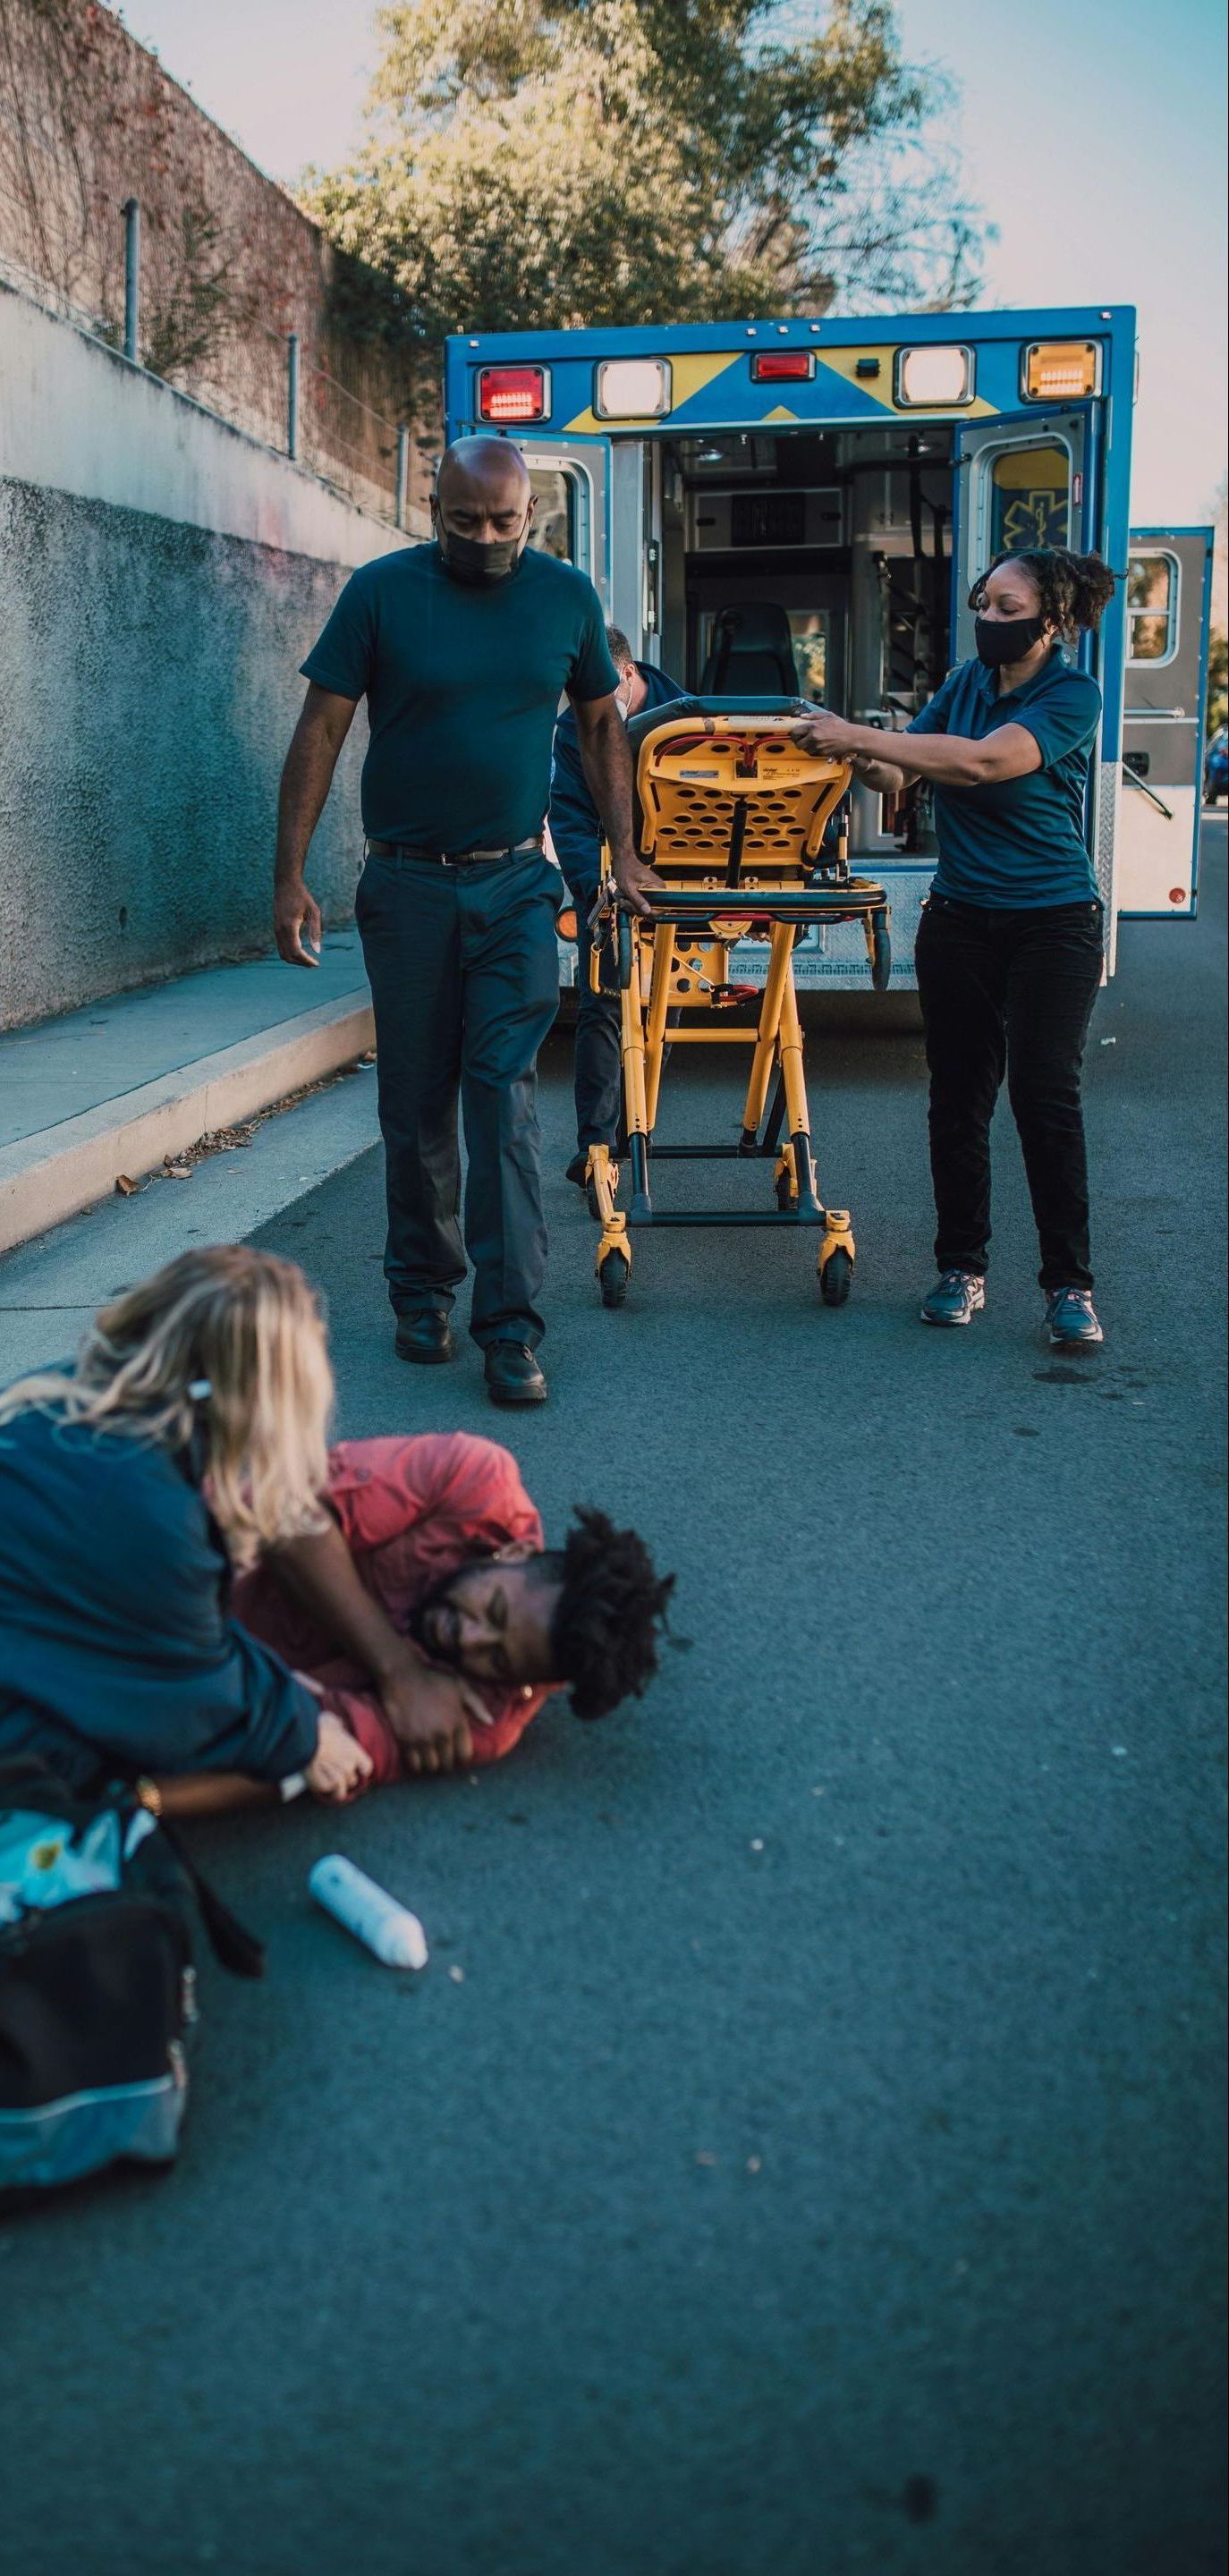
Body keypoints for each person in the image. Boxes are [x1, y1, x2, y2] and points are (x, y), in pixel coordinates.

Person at [0, 1250, 674, 1817]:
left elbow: (327, 1743)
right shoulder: (472, 1481)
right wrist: (396, 1669)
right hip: (175, 1629)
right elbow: (290, 1510)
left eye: (496, 1659)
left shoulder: (61, 1395)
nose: (468, 1639)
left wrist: (137, 1801)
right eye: (492, 1611)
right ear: (517, 1550)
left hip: (179, 1651)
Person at [274, 437, 660, 1409]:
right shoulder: (381, 593)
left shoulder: (565, 597)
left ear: (531, 515)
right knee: (414, 1104)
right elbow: (321, 727)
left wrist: (623, 854)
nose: (485, 539)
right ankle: (422, 1291)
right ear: (431, 508)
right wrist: (289, 875)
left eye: (503, 523)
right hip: (404, 890)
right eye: (463, 522)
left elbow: (604, 725)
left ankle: (511, 1327)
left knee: (505, 1101)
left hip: (516, 889)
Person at [798, 547, 1117, 1349]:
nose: (991, 622)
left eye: (1011, 611)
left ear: (1053, 621)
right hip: (962, 920)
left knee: (1044, 1099)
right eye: (986, 605)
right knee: (957, 1098)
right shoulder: (966, 684)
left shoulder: (1072, 693)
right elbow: (894, 780)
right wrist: (848, 749)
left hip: (1054, 921)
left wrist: (863, 735)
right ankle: (960, 1268)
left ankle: (1069, 1287)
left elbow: (981, 763)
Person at [548, 626, 682, 1185]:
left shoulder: (689, 721)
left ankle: (637, 1129)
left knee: (663, 1010)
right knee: (601, 1007)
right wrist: (592, 895)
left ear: (628, 674)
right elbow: (571, 818)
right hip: (607, 884)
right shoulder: (570, 730)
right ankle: (596, 1146)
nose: (590, 708)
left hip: (675, 884)